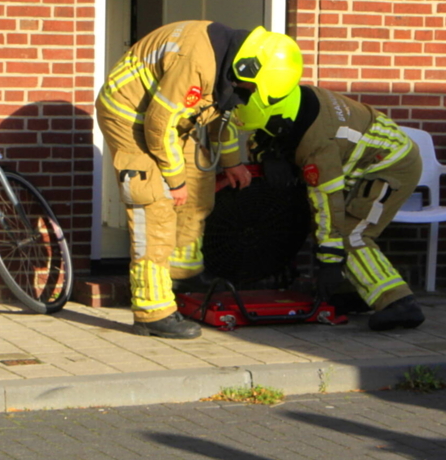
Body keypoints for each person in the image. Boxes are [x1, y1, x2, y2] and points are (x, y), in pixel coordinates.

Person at [96, 21, 303, 339]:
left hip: (167, 118)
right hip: (131, 115)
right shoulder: (198, 64)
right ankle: (153, 311)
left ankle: (183, 272)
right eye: (252, 89)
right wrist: (173, 180)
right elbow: (159, 125)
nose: (249, 94)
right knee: (153, 205)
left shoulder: (231, 63)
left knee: (200, 187)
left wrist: (232, 163)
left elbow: (223, 113)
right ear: (249, 68)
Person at [235, 84, 426, 331]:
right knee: (340, 229)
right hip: (366, 162)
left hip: (391, 166)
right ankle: (361, 291)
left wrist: (330, 261)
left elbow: (327, 202)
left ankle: (400, 303)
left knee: (350, 233)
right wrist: (267, 155)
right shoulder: (287, 97)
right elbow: (262, 134)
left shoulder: (318, 145)